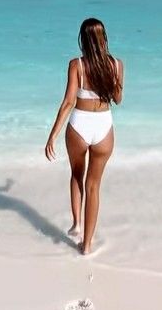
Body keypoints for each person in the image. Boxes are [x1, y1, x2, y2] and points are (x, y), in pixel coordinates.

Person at [45, 17, 123, 255]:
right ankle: (87, 245)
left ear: (83, 40)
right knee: (94, 186)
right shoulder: (117, 65)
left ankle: (77, 224)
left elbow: (69, 101)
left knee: (77, 175)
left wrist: (53, 135)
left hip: (79, 125)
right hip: (104, 126)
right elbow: (118, 99)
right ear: (104, 38)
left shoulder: (76, 65)